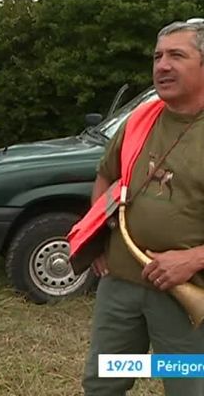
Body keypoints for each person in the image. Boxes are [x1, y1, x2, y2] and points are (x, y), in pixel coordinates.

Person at [79, 20, 204, 395]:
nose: (162, 65)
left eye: (176, 55)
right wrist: (98, 238)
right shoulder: (138, 120)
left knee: (186, 385)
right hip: (119, 288)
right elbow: (106, 178)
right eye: (157, 56)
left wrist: (193, 259)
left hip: (185, 293)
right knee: (104, 382)